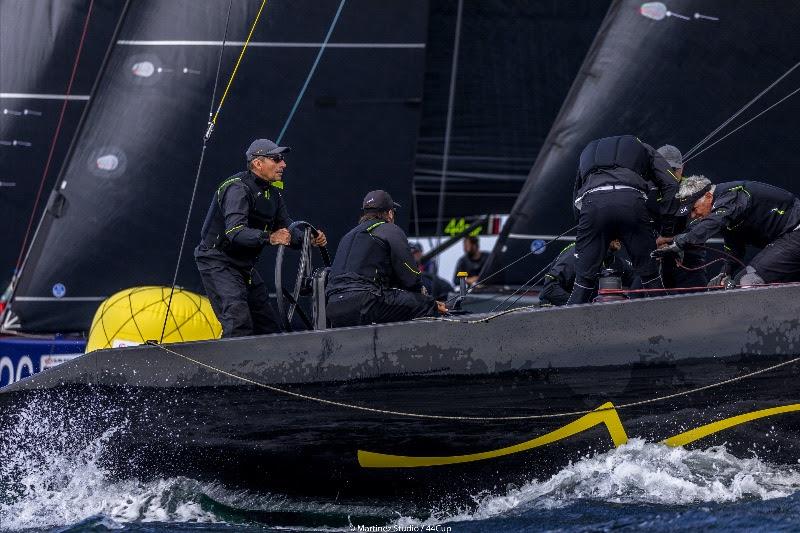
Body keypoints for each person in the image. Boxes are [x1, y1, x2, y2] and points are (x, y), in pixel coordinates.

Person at [195, 139, 326, 337]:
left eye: (282, 159)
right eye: (277, 159)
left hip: (244, 266)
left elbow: (286, 227)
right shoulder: (237, 189)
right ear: (258, 163)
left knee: (269, 327)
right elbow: (235, 232)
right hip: (218, 262)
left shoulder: (273, 194)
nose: (284, 164)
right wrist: (270, 237)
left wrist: (308, 238)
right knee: (238, 321)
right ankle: (229, 368)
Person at [567, 135, 679, 305]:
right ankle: (670, 322)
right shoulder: (645, 148)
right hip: (630, 201)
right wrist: (667, 231)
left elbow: (576, 198)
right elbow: (671, 185)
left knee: (584, 280)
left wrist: (591, 234)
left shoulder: (588, 151)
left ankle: (567, 326)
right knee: (649, 274)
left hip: (592, 205)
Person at [326, 191, 445, 327]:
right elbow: (411, 277)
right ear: (389, 213)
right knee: (423, 305)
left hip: (333, 307)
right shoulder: (389, 229)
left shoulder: (347, 236)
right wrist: (428, 301)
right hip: (365, 303)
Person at [654, 176, 800, 286]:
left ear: (708, 196)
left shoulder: (731, 196)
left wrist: (679, 243)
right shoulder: (726, 213)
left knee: (747, 280)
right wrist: (725, 273)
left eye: (693, 208)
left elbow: (713, 222)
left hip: (794, 232)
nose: (693, 215)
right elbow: (735, 248)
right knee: (737, 281)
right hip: (788, 238)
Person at [655, 145, 708, 289]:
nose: (669, 174)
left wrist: (672, 240)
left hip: (690, 263)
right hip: (655, 263)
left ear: (682, 167)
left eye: (673, 170)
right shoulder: (647, 192)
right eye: (665, 170)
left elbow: (704, 223)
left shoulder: (696, 188)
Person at [540, 240, 634, 306]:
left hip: (591, 315)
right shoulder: (577, 253)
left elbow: (637, 278)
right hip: (559, 315)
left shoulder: (615, 261)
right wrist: (583, 305)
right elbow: (549, 289)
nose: (619, 237)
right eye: (615, 232)